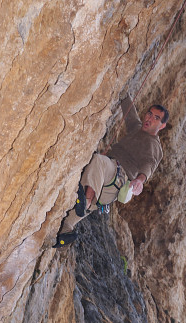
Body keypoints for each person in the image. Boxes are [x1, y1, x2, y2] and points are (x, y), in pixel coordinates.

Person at [54, 95, 169, 248]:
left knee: (98, 161)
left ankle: (86, 201)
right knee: (68, 220)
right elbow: (130, 112)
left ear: (162, 126)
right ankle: (66, 232)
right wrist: (124, 95)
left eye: (156, 118)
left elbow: (149, 165)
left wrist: (140, 180)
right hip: (104, 187)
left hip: (116, 176)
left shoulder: (154, 146)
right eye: (149, 113)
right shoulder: (137, 128)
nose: (150, 118)